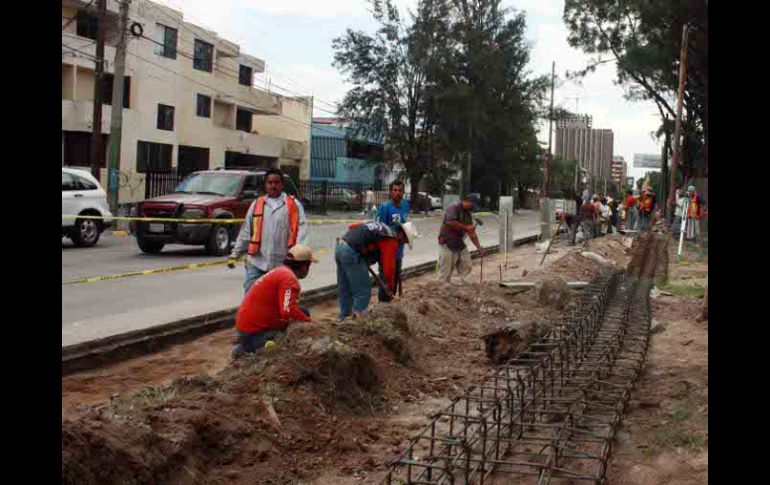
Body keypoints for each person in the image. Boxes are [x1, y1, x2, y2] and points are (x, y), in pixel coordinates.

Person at [228, 168, 308, 293]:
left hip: (283, 264)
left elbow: (301, 231)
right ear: (265, 185)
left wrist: (298, 256)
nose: (273, 186)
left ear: (282, 184)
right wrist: (235, 253)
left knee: (280, 301)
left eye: (276, 182)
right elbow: (246, 231)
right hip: (257, 263)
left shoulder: (293, 205)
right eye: (270, 183)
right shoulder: (257, 204)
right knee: (251, 297)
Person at [231, 244, 318, 359]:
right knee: (288, 344)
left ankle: (248, 346)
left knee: (303, 312)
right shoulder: (288, 280)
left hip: (247, 326)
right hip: (254, 332)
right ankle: (245, 350)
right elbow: (287, 311)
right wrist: (309, 323)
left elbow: (288, 308)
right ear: (303, 266)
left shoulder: (280, 271)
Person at [335, 221, 417, 321]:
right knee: (363, 292)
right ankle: (357, 323)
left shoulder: (382, 227)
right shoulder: (391, 240)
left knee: (344, 288)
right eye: (404, 241)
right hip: (352, 253)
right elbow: (389, 268)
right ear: (401, 234)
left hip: (341, 246)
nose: (402, 244)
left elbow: (352, 226)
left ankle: (343, 319)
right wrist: (389, 288)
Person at [375, 181, 410, 301]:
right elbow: (379, 229)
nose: (397, 193)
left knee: (395, 278)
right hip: (386, 252)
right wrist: (394, 235)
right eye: (395, 190)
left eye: (400, 190)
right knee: (386, 279)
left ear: (403, 192)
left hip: (399, 251)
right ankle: (383, 305)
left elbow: (406, 224)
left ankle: (392, 304)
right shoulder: (385, 207)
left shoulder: (405, 205)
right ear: (390, 192)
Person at [437, 196, 482, 283]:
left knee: (466, 263)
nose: (472, 208)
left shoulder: (467, 214)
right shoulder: (453, 207)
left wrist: (479, 247)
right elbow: (451, 222)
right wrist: (466, 227)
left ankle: (469, 285)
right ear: (467, 201)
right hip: (447, 242)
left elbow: (471, 233)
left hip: (459, 242)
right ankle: (442, 289)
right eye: (471, 205)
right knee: (446, 270)